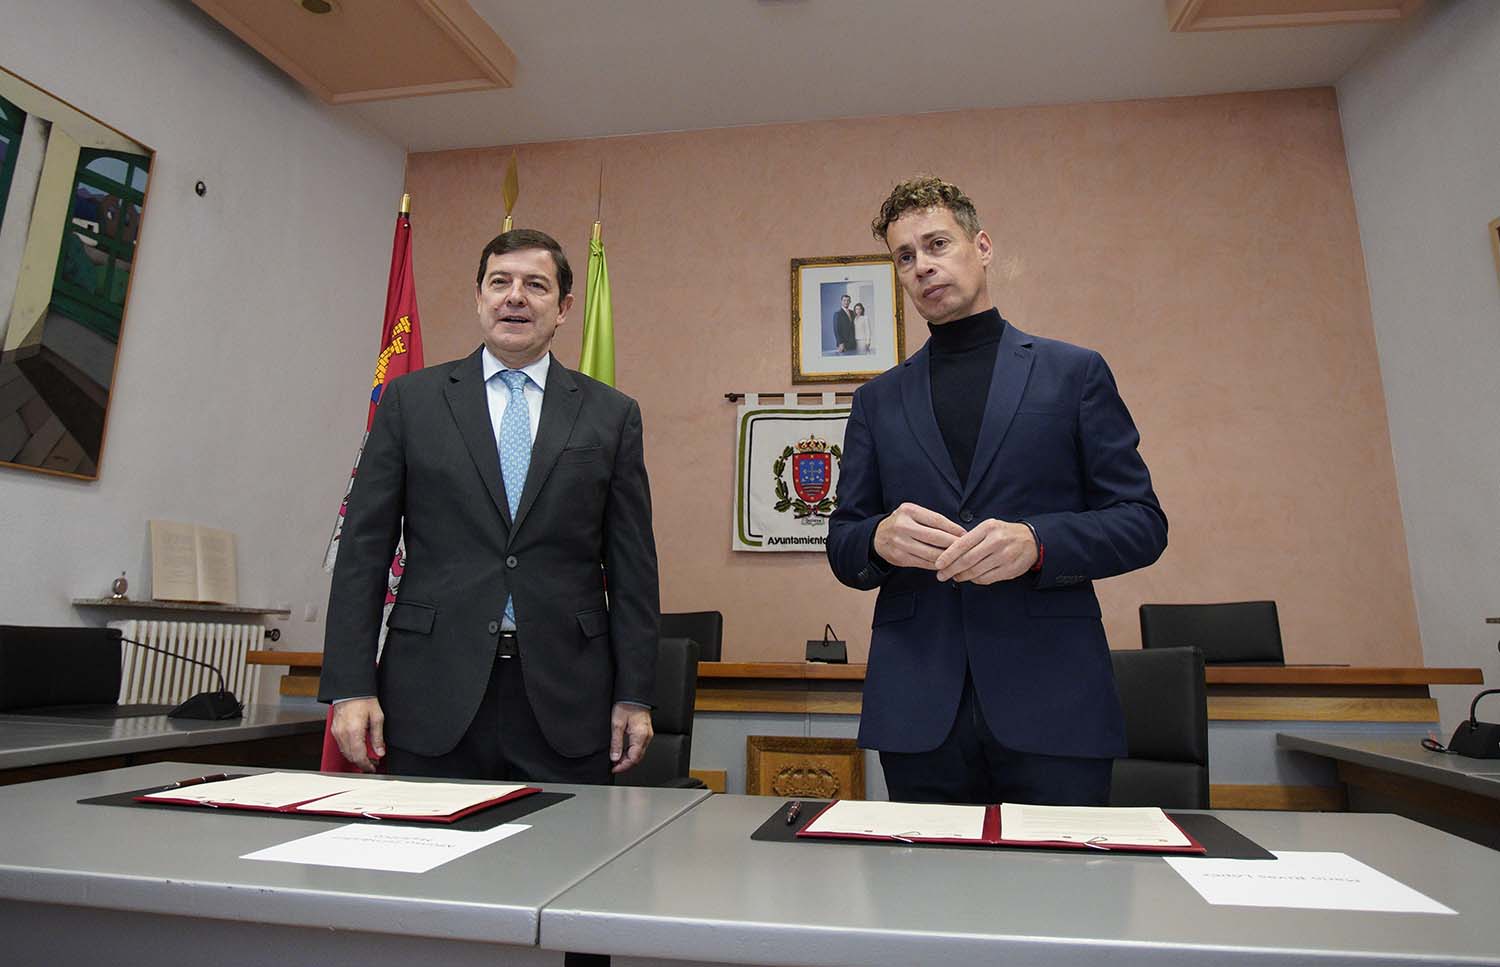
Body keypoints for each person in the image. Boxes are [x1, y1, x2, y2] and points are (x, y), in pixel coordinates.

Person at [826, 177, 1167, 807]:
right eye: (905, 256)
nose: (922, 265)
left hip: (1055, 701)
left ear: (981, 247)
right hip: (919, 710)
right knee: (923, 901)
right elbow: (844, 544)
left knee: (1063, 900)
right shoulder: (877, 401)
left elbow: (1142, 522)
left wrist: (1039, 542)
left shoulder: (1074, 373)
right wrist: (876, 537)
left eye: (937, 243)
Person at [320, 228, 660, 784]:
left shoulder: (611, 415)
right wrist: (352, 686)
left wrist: (635, 694)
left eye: (535, 285)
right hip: (429, 691)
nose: (515, 297)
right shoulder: (411, 402)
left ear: (564, 307)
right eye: (499, 282)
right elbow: (363, 550)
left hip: (566, 697)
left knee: (562, 862)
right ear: (478, 297)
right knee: (422, 861)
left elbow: (633, 569)